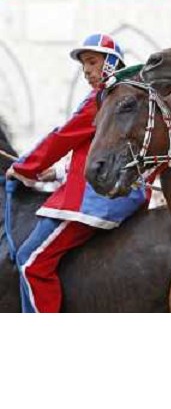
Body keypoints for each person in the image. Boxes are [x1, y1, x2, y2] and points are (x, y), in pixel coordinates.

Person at [6, 34, 149, 313]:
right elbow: (91, 150)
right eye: (84, 66)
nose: (87, 72)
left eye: (93, 63)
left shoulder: (102, 98)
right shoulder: (129, 95)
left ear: (111, 63)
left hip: (95, 200)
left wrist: (24, 166)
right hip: (126, 193)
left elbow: (63, 137)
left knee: (30, 262)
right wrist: (56, 173)